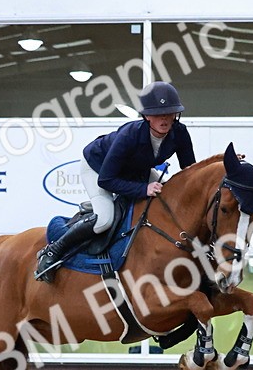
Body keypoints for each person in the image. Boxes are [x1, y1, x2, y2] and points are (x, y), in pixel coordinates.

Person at [35, 81, 197, 282]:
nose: (164, 118)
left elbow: (190, 171)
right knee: (104, 220)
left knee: (166, 203)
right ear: (146, 116)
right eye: (157, 113)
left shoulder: (179, 133)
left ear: (176, 114)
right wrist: (143, 189)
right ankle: (52, 252)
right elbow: (107, 180)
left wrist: (221, 166)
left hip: (135, 170)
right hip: (98, 168)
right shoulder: (130, 135)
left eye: (169, 112)